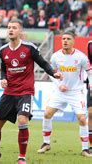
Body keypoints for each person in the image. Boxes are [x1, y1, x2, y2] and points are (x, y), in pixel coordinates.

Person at [0, 19, 63, 164]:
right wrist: (3, 79)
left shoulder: (29, 48)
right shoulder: (3, 50)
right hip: (9, 92)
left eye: (14, 28)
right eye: (9, 27)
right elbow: (4, 67)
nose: (10, 30)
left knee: (22, 120)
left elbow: (43, 63)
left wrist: (54, 73)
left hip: (25, 91)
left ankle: (22, 157)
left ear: (20, 31)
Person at [37, 29, 92, 157]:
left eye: (68, 39)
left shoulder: (81, 57)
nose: (65, 41)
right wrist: (59, 84)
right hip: (59, 91)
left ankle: (85, 149)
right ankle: (46, 143)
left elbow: (89, 72)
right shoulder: (56, 56)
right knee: (47, 113)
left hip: (76, 92)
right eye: (63, 39)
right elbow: (51, 73)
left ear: (73, 41)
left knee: (82, 118)